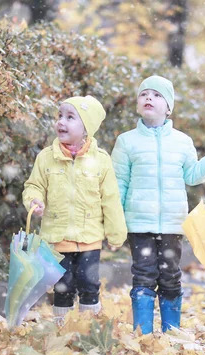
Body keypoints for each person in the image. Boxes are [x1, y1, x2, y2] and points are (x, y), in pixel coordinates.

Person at [111, 76, 205, 334]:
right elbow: (118, 183)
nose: (149, 98)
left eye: (157, 95)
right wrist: (116, 222)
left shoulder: (182, 142)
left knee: (170, 277)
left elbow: (193, 175)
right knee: (143, 276)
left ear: (168, 108)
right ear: (137, 103)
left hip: (172, 224)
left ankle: (172, 333)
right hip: (139, 224)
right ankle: (142, 335)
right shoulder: (127, 141)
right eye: (144, 94)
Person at [23, 95, 127, 326]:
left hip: (89, 238)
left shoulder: (101, 161)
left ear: (86, 128)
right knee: (63, 286)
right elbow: (34, 185)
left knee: (89, 284)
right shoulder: (47, 158)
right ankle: (63, 328)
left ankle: (88, 327)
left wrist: (116, 234)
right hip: (58, 239)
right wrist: (34, 201)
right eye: (60, 116)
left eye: (70, 117)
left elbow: (110, 199)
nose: (62, 122)